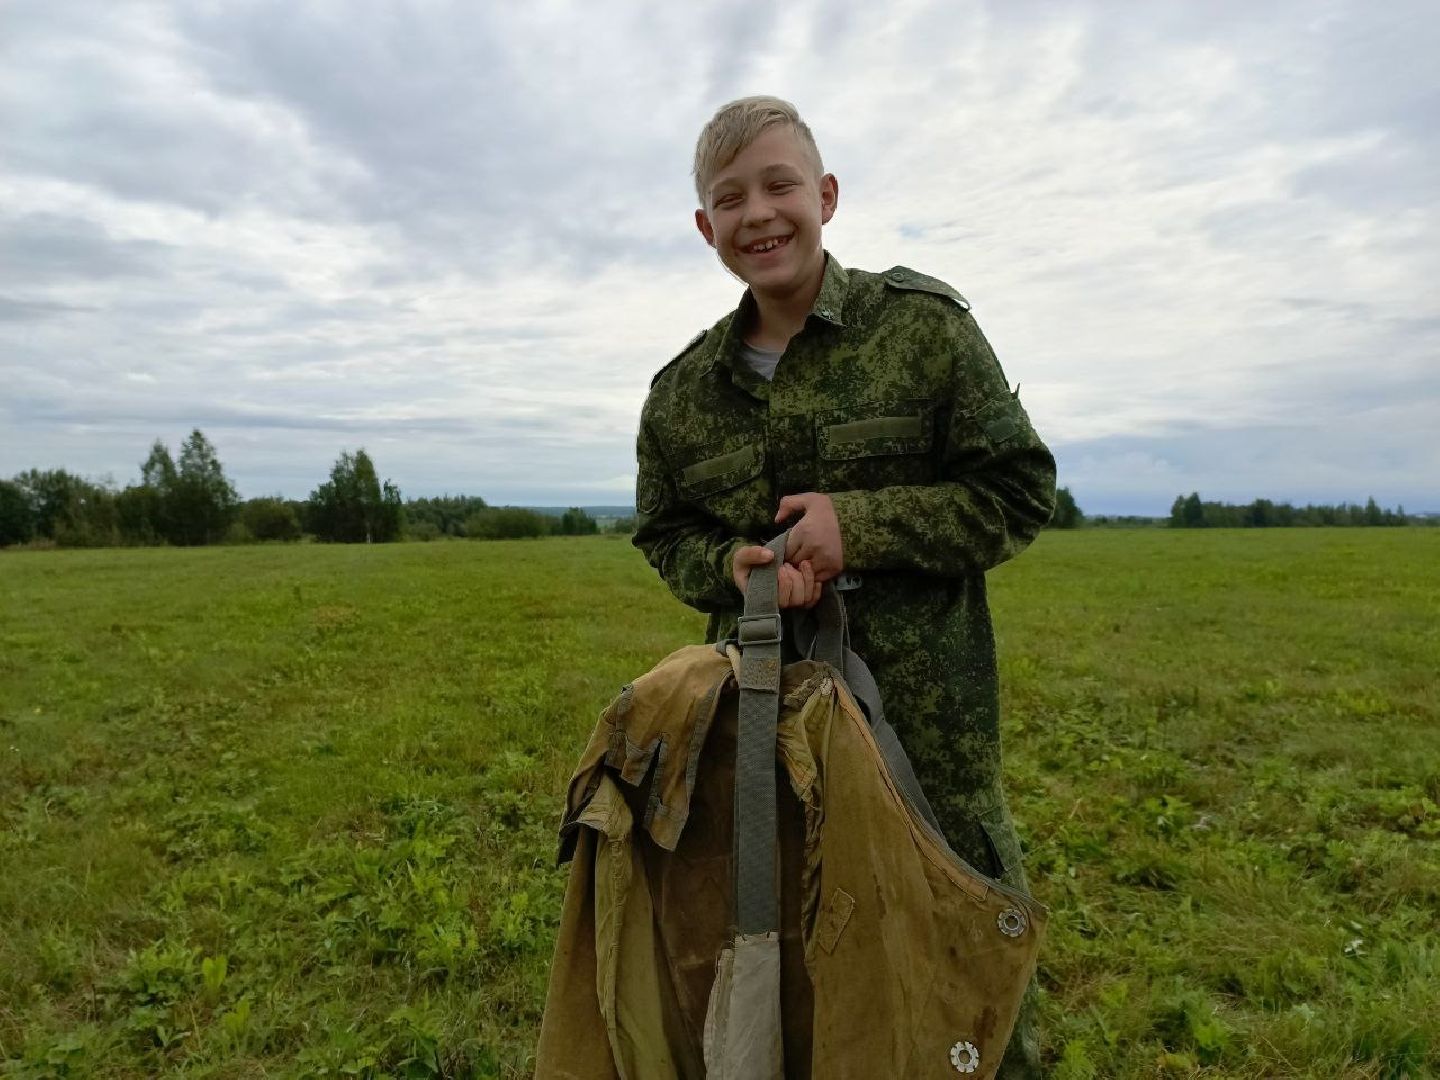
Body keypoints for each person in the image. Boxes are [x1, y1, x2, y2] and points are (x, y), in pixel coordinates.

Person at [631, 95, 1055, 1078]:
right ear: (706, 228)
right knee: (790, 969)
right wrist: (732, 568)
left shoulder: (922, 331)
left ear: (824, 195)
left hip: (926, 743)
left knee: (965, 975)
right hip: (759, 738)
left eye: (780, 184)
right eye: (730, 198)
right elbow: (664, 530)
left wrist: (855, 524)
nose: (759, 213)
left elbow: (1018, 492)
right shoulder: (681, 393)